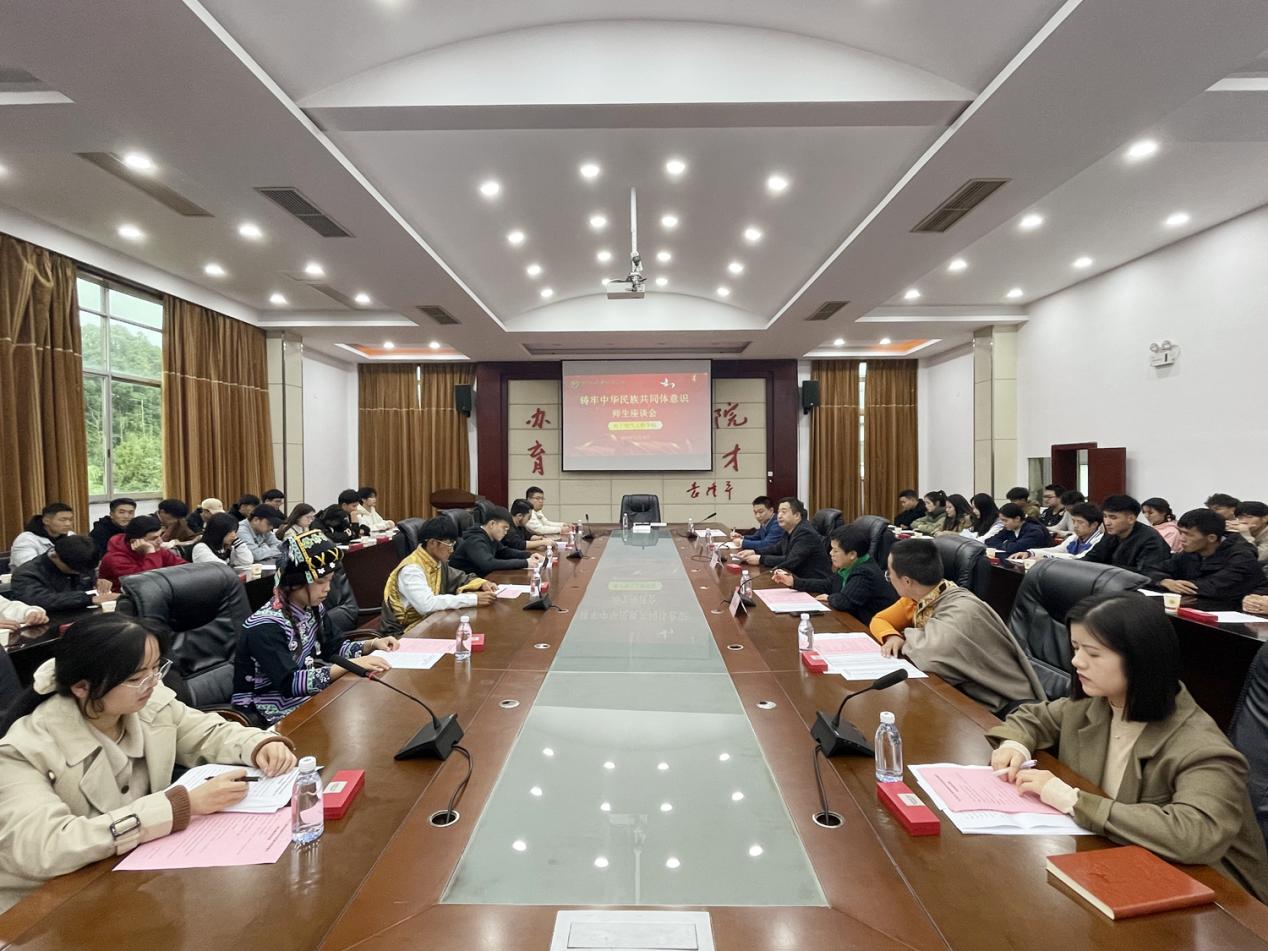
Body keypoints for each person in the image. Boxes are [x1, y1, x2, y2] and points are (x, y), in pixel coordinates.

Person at [0, 614, 300, 912]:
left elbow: (205, 733)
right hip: (49, 907)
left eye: (156, 668)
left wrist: (258, 744)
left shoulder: (146, 702)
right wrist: (180, 806)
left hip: (131, 876)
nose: (152, 683)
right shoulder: (23, 751)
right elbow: (48, 847)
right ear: (82, 687)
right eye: (135, 678)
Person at [986, 593, 1268, 902]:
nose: (1076, 661)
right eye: (1076, 648)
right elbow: (1033, 717)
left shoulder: (1201, 746)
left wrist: (1072, 799)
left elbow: (1195, 833)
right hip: (1120, 863)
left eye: (1093, 653)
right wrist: (1015, 744)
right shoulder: (1095, 705)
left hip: (1214, 898)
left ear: (1140, 659)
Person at [232, 530, 397, 725]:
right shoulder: (264, 626)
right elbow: (289, 683)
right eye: (320, 581)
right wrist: (348, 666)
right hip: (266, 710)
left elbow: (334, 648)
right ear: (294, 582)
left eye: (330, 580)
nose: (328, 588)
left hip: (305, 698)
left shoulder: (311, 608)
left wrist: (372, 644)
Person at [869, 539, 1044, 716]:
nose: (889, 578)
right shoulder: (922, 598)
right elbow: (880, 620)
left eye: (889, 574)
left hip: (1004, 706)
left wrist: (903, 636)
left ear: (907, 581)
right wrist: (892, 636)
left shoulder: (962, 609)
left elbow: (929, 657)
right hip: (961, 694)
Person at [380, 517, 498, 636]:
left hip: (428, 623)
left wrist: (482, 583)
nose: (452, 550)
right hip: (402, 633)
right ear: (432, 543)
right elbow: (427, 605)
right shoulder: (411, 569)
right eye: (449, 544)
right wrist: (473, 599)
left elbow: (460, 578)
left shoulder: (435, 561)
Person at [772, 524, 896, 624]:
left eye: (836, 550)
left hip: (868, 628)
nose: (831, 553)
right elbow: (829, 584)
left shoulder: (865, 572)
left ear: (852, 554)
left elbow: (844, 601)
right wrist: (794, 582)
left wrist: (829, 598)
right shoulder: (849, 566)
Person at [1150, 509, 1263, 611]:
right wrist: (1164, 581)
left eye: (1188, 534)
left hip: (1237, 611)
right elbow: (1153, 570)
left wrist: (1179, 585)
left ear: (1211, 538)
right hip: (1199, 606)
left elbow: (1215, 586)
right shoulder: (1191, 551)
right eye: (1181, 532)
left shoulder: (1242, 556)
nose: (1181, 539)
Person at [10, 536, 117, 613]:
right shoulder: (26, 573)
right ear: (55, 556)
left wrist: (98, 582)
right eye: (74, 570)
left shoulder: (82, 560)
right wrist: (89, 599)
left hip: (83, 616)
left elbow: (87, 583)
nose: (79, 573)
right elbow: (39, 600)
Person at [736, 497, 833, 580]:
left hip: (813, 585)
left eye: (784, 512)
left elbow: (790, 560)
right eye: (779, 512)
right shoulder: (790, 530)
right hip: (796, 578)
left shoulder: (805, 533)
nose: (779, 515)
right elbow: (777, 548)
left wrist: (761, 559)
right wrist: (754, 551)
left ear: (797, 515)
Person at [1084, 495, 1171, 576]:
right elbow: (1093, 556)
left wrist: (1105, 568)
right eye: (1105, 516)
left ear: (1131, 519)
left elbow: (1146, 573)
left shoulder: (1150, 540)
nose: (1107, 522)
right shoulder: (1111, 534)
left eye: (1113, 517)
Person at [98, 516, 185, 592]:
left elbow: (184, 568)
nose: (160, 541)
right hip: (122, 600)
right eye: (154, 538)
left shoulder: (157, 549)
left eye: (160, 535)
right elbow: (144, 582)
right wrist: (151, 553)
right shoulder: (115, 558)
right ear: (134, 541)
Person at [450, 506, 545, 575]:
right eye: (504, 528)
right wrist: (525, 563)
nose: (505, 532)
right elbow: (488, 564)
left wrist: (529, 555)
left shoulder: (490, 537)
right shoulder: (475, 539)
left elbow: (504, 552)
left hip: (481, 579)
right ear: (492, 524)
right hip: (464, 585)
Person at [1017, 501, 1104, 559]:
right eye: (1074, 521)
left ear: (1094, 525)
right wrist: (1030, 553)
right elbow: (1058, 550)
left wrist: (1046, 557)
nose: (1075, 526)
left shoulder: (1100, 540)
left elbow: (1077, 558)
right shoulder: (1074, 537)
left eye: (1080, 522)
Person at [10, 503, 76, 569]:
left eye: (70, 520)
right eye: (62, 520)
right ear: (46, 521)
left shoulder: (71, 536)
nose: (68, 524)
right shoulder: (25, 539)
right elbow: (29, 567)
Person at [982, 503, 1051, 555]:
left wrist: (1005, 543)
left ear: (1017, 518)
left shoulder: (1034, 531)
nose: (1003, 523)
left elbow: (1016, 548)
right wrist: (1007, 544)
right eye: (1002, 520)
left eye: (1005, 520)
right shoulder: (1009, 529)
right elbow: (989, 541)